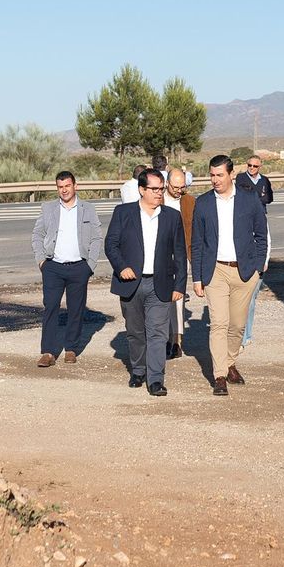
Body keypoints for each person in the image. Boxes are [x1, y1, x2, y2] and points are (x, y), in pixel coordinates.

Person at [104, 168, 186, 396]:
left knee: (158, 333)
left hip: (160, 285)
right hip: (131, 284)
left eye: (161, 189)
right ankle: (138, 370)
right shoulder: (123, 213)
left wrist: (179, 286)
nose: (160, 193)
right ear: (141, 190)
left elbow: (180, 254)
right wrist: (122, 267)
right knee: (136, 332)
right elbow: (111, 244)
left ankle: (156, 379)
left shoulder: (171, 216)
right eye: (154, 189)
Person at [191, 154, 268, 396]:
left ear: (231, 174)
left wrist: (258, 267)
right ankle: (219, 375)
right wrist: (197, 277)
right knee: (219, 324)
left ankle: (230, 361)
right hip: (215, 272)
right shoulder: (202, 203)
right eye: (212, 175)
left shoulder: (249, 199)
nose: (215, 180)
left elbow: (261, 235)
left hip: (245, 271)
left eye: (219, 175)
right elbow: (197, 243)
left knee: (236, 325)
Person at [29, 171, 104, 368]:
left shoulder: (87, 209)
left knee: (76, 309)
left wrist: (90, 265)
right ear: (57, 188)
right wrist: (41, 261)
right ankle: (48, 351)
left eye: (67, 186)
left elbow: (97, 237)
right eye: (60, 187)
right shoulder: (48, 208)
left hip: (79, 266)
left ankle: (71, 348)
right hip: (53, 266)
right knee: (51, 306)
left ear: (75, 186)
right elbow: (37, 234)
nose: (64, 190)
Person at [163, 167, 196, 358]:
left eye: (182, 187)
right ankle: (164, 337)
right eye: (175, 187)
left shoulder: (190, 201)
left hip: (182, 256)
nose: (179, 190)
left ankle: (176, 341)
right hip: (161, 256)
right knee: (162, 297)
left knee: (178, 299)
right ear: (167, 183)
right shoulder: (158, 199)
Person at [237, 170, 273, 346]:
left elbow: (265, 239)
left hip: (255, 265)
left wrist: (263, 262)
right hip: (238, 265)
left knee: (249, 302)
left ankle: (246, 336)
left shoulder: (259, 215)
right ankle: (238, 336)